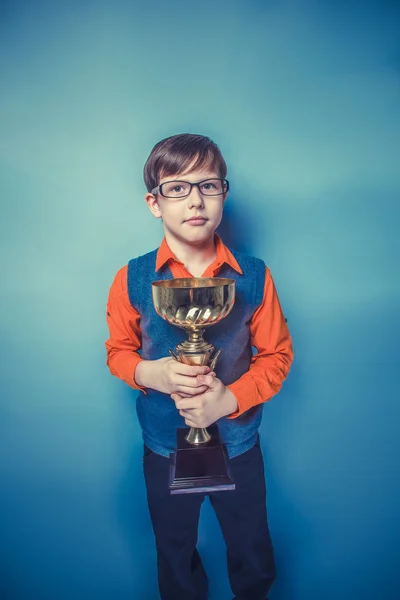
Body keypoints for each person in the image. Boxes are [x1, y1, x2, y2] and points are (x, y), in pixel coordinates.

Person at [105, 133, 294, 600]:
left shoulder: (254, 276)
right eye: (178, 187)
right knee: (174, 552)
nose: (195, 199)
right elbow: (118, 352)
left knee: (251, 550)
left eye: (209, 185)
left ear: (223, 195)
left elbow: (277, 355)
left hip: (237, 444)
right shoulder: (131, 278)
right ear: (154, 202)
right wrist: (153, 373)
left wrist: (229, 399)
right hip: (165, 447)